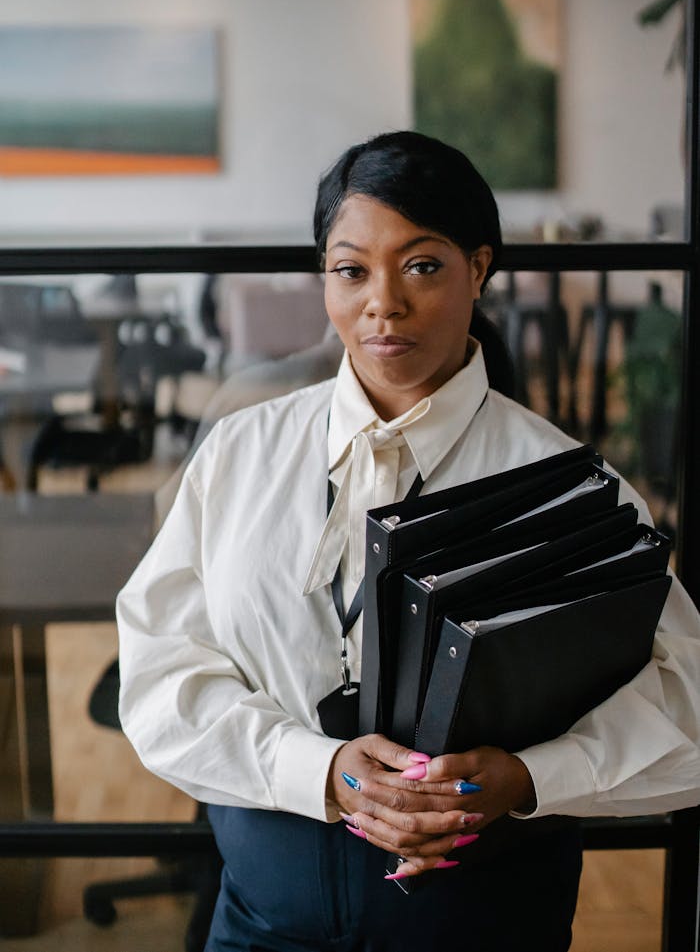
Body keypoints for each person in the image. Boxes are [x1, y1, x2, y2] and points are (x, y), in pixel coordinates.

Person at [117, 131, 700, 952]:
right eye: (351, 270)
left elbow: (688, 702)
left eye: (422, 265)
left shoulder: (570, 483)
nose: (382, 303)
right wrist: (319, 770)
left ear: (481, 268)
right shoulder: (242, 454)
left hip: (488, 927)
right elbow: (157, 673)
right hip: (261, 925)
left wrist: (528, 777)